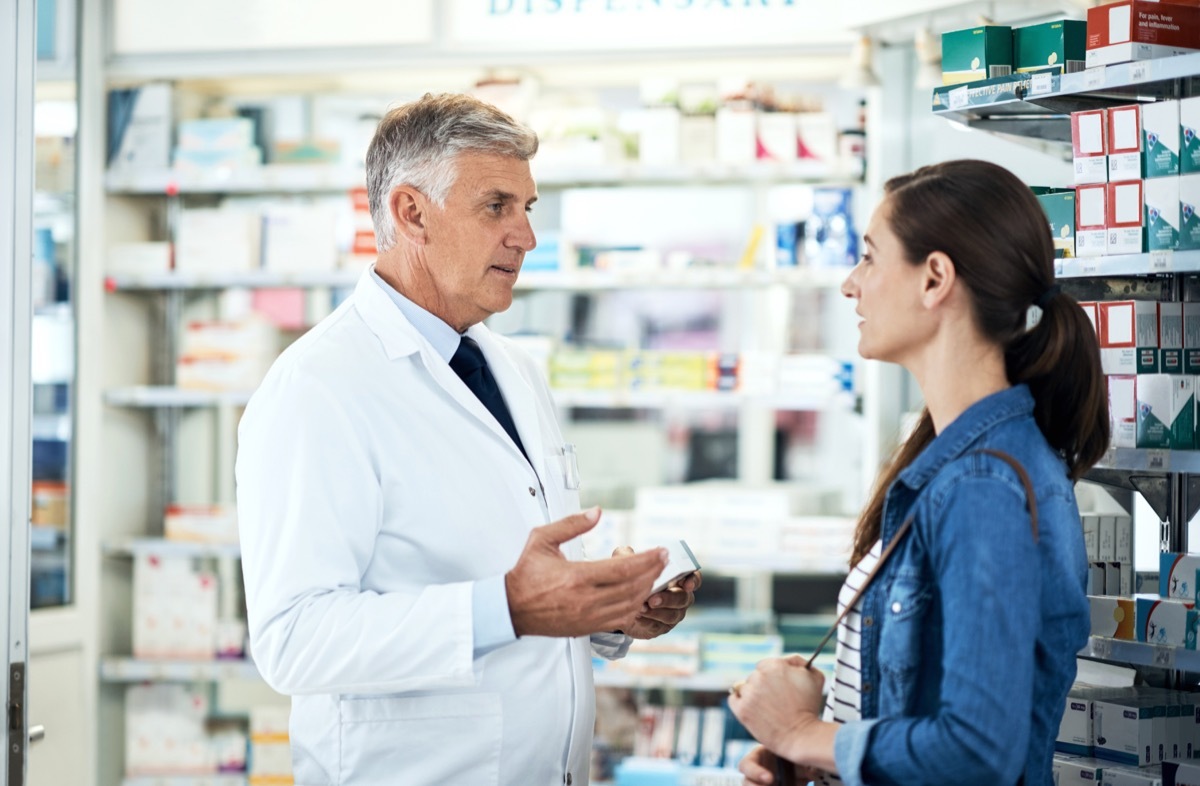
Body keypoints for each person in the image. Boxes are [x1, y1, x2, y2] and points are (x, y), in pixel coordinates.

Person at [236, 93, 700, 786]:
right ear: (411, 213)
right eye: (496, 207)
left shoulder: (510, 367)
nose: (525, 237)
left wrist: (608, 607)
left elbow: (518, 564)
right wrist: (506, 608)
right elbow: (294, 640)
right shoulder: (317, 387)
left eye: (528, 208)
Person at [729, 159, 1108, 786]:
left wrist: (803, 732)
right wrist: (820, 758)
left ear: (935, 279)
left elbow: (979, 751)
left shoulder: (981, 487)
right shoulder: (954, 462)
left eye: (871, 258)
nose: (851, 284)